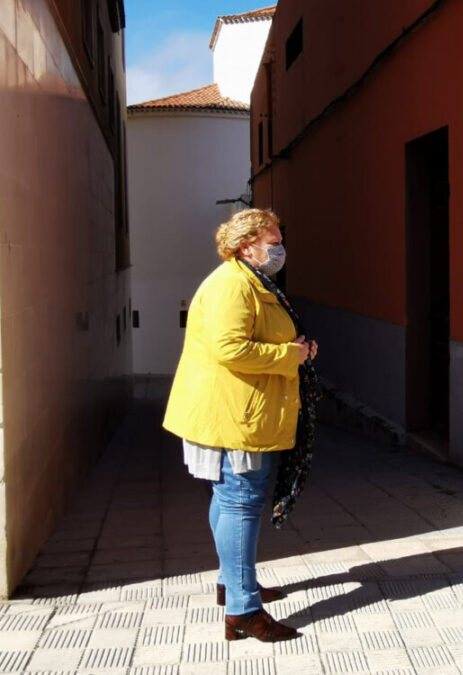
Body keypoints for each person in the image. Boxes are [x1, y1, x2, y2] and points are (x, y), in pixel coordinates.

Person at [163, 209, 318, 643]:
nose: (279, 248)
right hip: (237, 415)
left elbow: (258, 339)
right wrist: (291, 356)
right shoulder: (233, 285)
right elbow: (231, 349)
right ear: (246, 245)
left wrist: (298, 349)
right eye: (272, 241)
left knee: (231, 499)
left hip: (242, 410)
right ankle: (243, 609)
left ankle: (231, 582)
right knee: (241, 503)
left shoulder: (250, 280)